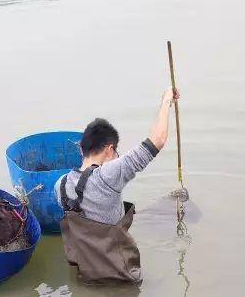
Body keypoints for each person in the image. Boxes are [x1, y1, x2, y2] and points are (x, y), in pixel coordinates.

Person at [55, 88, 179, 284]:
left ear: (81, 147)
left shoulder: (60, 185)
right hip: (121, 277)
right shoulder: (108, 175)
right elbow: (157, 140)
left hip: (87, 276)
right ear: (109, 149)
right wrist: (165, 102)